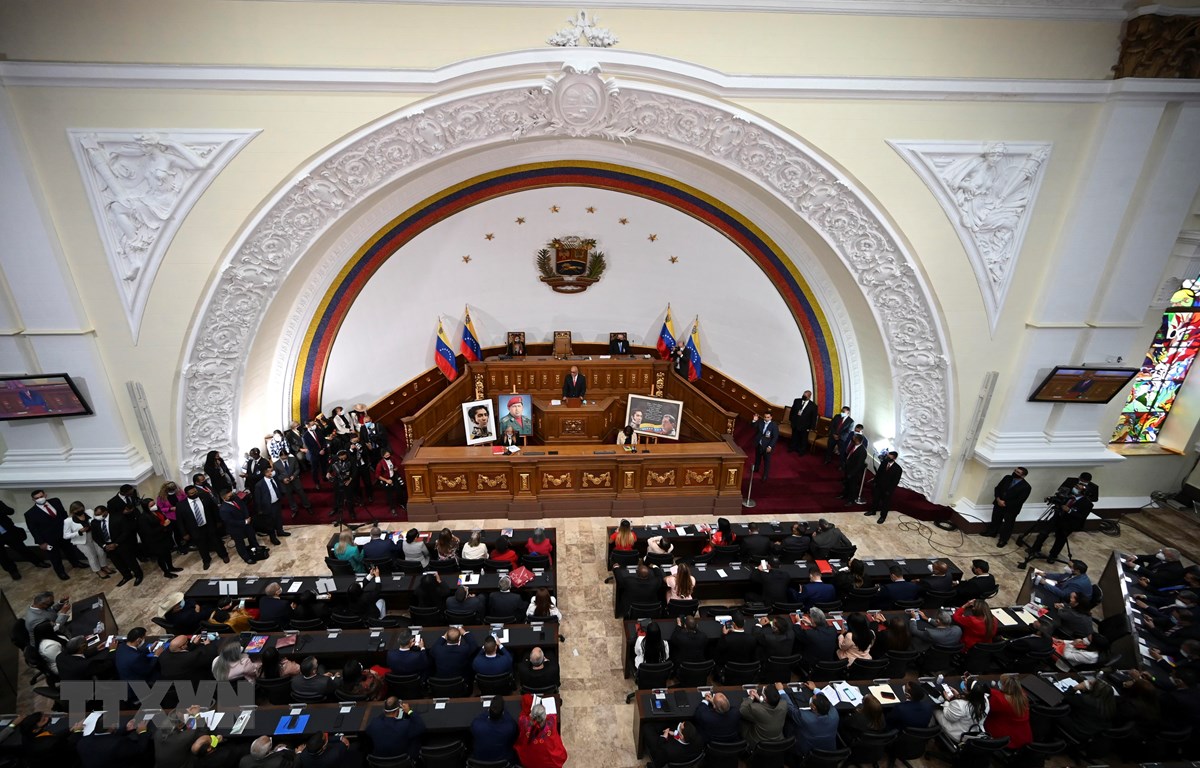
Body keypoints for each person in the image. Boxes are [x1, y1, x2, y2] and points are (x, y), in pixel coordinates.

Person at [24, 489, 88, 580]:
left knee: (70, 550)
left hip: (63, 533)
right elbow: (33, 530)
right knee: (55, 557)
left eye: (41, 496)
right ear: (33, 500)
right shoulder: (30, 514)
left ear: (45, 495)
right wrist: (41, 542)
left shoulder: (56, 501)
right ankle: (60, 572)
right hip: (49, 539)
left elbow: (63, 514)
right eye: (37, 498)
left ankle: (76, 563)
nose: (40, 499)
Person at [1029, 478, 1093, 563]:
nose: (1075, 488)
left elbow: (1082, 516)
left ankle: (1053, 556)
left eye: (1078, 488)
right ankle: (1035, 549)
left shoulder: (1087, 504)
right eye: (1076, 486)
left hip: (1068, 524)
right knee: (1043, 533)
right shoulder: (1069, 495)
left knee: (1060, 540)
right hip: (1057, 517)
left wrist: (1069, 511)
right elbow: (1059, 500)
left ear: (1083, 492)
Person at [179, 485, 230, 570]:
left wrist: (218, 521)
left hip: (209, 525)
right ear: (187, 494)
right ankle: (206, 560)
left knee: (217, 541)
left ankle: (223, 555)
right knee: (201, 546)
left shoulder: (205, 497)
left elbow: (214, 509)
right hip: (196, 529)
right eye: (192, 493)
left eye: (195, 492)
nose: (195, 494)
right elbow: (180, 521)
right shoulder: (181, 505)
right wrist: (184, 533)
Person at [515, 694, 568, 768]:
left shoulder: (524, 723)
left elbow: (525, 698)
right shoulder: (551, 722)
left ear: (531, 715)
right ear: (545, 716)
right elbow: (553, 714)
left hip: (530, 762)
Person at [1057, 678, 1116, 743]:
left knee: (1057, 711)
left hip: (1078, 731)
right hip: (1092, 734)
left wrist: (1076, 688)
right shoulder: (1110, 704)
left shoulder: (1085, 700)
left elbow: (1064, 697)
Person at [63, 501, 113, 578]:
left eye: (81, 508)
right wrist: (79, 532)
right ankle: (97, 570)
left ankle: (104, 566)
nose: (79, 510)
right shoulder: (68, 521)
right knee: (91, 556)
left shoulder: (89, 512)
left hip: (94, 536)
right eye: (76, 510)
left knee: (101, 552)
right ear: (73, 511)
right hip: (82, 541)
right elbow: (65, 536)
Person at [985, 466, 1031, 548]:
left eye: (1018, 472)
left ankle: (1003, 540)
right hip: (999, 503)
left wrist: (1005, 503)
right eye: (1015, 471)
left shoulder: (1026, 487)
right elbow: (998, 488)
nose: (1015, 473)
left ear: (1023, 476)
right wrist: (998, 499)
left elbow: (1020, 500)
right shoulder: (1007, 478)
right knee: (995, 519)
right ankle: (992, 532)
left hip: (1011, 509)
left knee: (1008, 525)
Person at [935, 678, 990, 745]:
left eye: (965, 685)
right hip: (973, 731)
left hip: (958, 734)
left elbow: (948, 717)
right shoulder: (985, 700)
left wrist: (947, 700)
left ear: (968, 692)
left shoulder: (960, 704)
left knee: (935, 710)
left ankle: (933, 734)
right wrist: (958, 696)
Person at [137, 499, 181, 579]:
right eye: (151, 505)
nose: (154, 506)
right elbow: (149, 532)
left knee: (167, 554)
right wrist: (163, 525)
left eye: (154, 504)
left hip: (164, 536)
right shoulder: (143, 518)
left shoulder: (157, 511)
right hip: (155, 540)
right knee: (161, 557)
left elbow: (164, 519)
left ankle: (171, 567)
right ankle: (166, 572)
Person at [985, 675, 1031, 750]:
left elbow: (987, 710)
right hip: (1024, 738)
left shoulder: (1001, 700)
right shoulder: (1022, 697)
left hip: (1008, 741)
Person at [107, 498, 146, 585]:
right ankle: (126, 575)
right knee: (118, 563)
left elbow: (125, 531)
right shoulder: (96, 522)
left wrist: (116, 543)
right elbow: (96, 536)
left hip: (122, 542)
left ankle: (138, 575)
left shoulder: (119, 518)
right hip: (108, 546)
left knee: (130, 560)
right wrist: (104, 545)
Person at [471, 694, 518, 764]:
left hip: (480, 761)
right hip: (502, 762)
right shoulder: (509, 727)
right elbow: (510, 719)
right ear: (502, 713)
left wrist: (489, 711)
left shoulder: (477, 725)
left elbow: (480, 717)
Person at [252, 466, 290, 545]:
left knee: (278, 518)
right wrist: (259, 509)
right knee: (270, 523)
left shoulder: (274, 478)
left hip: (276, 502)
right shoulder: (259, 485)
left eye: (271, 471)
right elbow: (257, 498)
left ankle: (280, 531)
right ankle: (273, 538)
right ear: (265, 473)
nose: (271, 473)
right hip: (268, 506)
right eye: (269, 471)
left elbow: (278, 487)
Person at [218, 489, 257, 565]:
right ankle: (246, 558)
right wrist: (244, 522)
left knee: (252, 536)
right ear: (224, 498)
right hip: (235, 528)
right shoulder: (223, 509)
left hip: (247, 522)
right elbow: (230, 521)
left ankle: (256, 549)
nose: (232, 496)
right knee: (240, 544)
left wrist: (247, 517)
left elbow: (243, 506)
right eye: (230, 496)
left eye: (232, 494)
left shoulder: (235, 498)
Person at [866, 451, 902, 522]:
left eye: (889, 457)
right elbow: (878, 473)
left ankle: (883, 517)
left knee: (885, 503)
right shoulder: (884, 463)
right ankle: (873, 511)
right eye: (887, 456)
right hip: (878, 486)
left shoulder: (898, 469)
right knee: (875, 499)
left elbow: (895, 482)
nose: (887, 457)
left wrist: (889, 491)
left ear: (894, 458)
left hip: (887, 489)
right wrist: (875, 482)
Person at [750, 411, 779, 479]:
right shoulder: (760, 422)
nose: (766, 419)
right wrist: (754, 420)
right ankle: (756, 468)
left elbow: (775, 437)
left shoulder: (774, 425)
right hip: (759, 444)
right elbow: (753, 426)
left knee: (766, 461)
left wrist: (770, 446)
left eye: (768, 417)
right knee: (757, 458)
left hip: (767, 446)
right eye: (765, 417)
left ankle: (765, 475)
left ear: (771, 417)